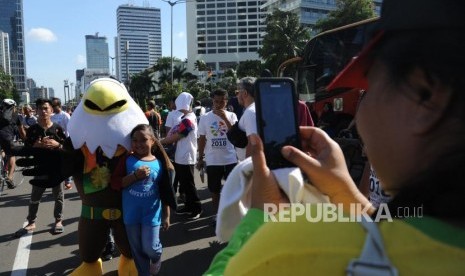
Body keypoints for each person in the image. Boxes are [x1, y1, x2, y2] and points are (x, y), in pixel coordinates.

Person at [205, 0, 465, 274]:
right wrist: (347, 194)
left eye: (368, 89)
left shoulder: (295, 250)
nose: (360, 114)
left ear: (424, 95)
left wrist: (261, 216)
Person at [111, 124, 173, 275]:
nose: (138, 144)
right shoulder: (127, 160)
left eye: (143, 140)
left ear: (152, 141)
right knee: (137, 250)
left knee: (150, 248)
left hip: (151, 214)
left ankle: (157, 257)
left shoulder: (160, 163)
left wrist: (166, 215)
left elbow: (165, 192)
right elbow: (114, 182)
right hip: (131, 215)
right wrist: (134, 177)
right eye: (134, 140)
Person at [15, 98, 67, 237]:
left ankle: (58, 220)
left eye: (46, 108)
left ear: (51, 110)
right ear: (36, 111)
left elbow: (67, 148)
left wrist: (58, 145)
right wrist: (35, 146)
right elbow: (26, 149)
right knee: (35, 197)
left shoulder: (57, 128)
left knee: (58, 196)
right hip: (40, 168)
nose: (43, 111)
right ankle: (31, 221)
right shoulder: (32, 130)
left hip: (56, 168)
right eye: (40, 109)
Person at [197, 89, 238, 225]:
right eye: (216, 101)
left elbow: (236, 134)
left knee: (232, 189)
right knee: (214, 190)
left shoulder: (232, 116)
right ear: (212, 101)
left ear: (226, 102)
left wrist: (225, 118)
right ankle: (217, 215)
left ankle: (232, 215)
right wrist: (200, 158)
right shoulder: (205, 118)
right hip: (213, 160)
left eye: (222, 102)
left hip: (231, 158)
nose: (219, 104)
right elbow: (202, 138)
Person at [161, 92, 202, 220]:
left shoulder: (188, 119)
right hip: (182, 155)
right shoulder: (187, 117)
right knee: (185, 184)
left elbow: (177, 136)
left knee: (189, 184)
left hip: (186, 156)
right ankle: (189, 206)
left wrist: (159, 141)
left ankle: (196, 208)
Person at [51, 97, 73, 190]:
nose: (52, 107)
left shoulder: (65, 116)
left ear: (59, 105)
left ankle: (68, 181)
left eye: (54, 105)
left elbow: (70, 130)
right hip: (53, 142)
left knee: (65, 162)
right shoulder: (51, 116)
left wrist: (68, 142)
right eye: (51, 105)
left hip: (64, 142)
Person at [235, 77, 257, 161]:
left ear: (244, 93)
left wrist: (247, 170)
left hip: (251, 165)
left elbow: (252, 143)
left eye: (237, 92)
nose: (236, 96)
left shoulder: (250, 112)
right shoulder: (257, 108)